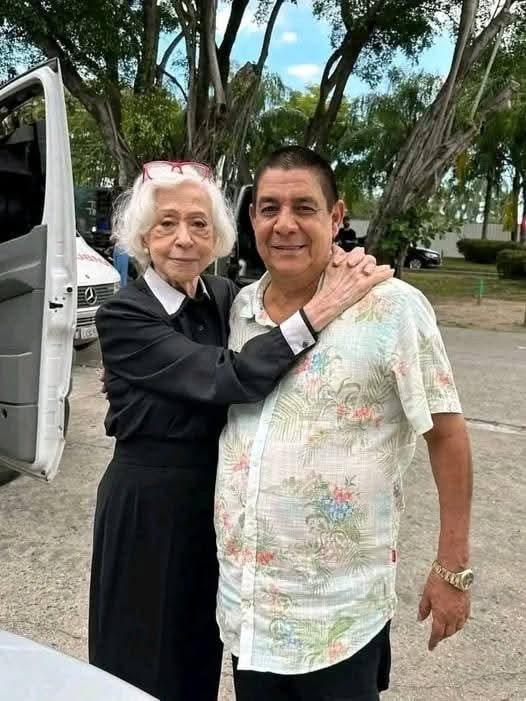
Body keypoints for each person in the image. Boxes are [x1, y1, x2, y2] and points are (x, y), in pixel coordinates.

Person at [89, 159, 392, 701]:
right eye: (166, 224)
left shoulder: (226, 298)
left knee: (197, 658)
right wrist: (324, 306)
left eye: (199, 224)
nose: (184, 239)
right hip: (149, 507)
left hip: (216, 509)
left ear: (218, 237)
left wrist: (338, 263)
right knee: (139, 666)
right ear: (143, 236)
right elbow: (230, 376)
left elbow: (280, 298)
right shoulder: (125, 315)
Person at [214, 146, 474, 701]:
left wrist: (452, 567)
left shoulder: (392, 308)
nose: (284, 224)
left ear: (336, 217)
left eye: (304, 207)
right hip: (250, 610)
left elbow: (447, 435)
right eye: (269, 208)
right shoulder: (238, 310)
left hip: (338, 618)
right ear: (252, 218)